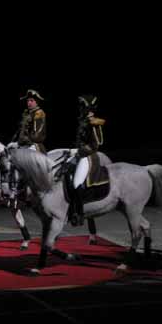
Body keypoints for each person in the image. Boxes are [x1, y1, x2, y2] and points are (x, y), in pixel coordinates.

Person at [3, 90, 47, 206]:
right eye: (28, 100)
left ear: (36, 102)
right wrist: (14, 142)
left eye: (31, 100)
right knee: (8, 159)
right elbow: (20, 131)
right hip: (23, 143)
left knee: (26, 163)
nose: (29, 102)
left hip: (34, 144)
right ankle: (12, 188)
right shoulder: (26, 113)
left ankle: (29, 191)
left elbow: (37, 135)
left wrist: (21, 143)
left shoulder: (39, 113)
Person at [69, 94, 106, 226]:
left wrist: (80, 151)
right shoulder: (83, 120)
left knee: (77, 182)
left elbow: (97, 143)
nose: (80, 109)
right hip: (80, 153)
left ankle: (79, 214)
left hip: (88, 156)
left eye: (82, 107)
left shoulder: (93, 122)